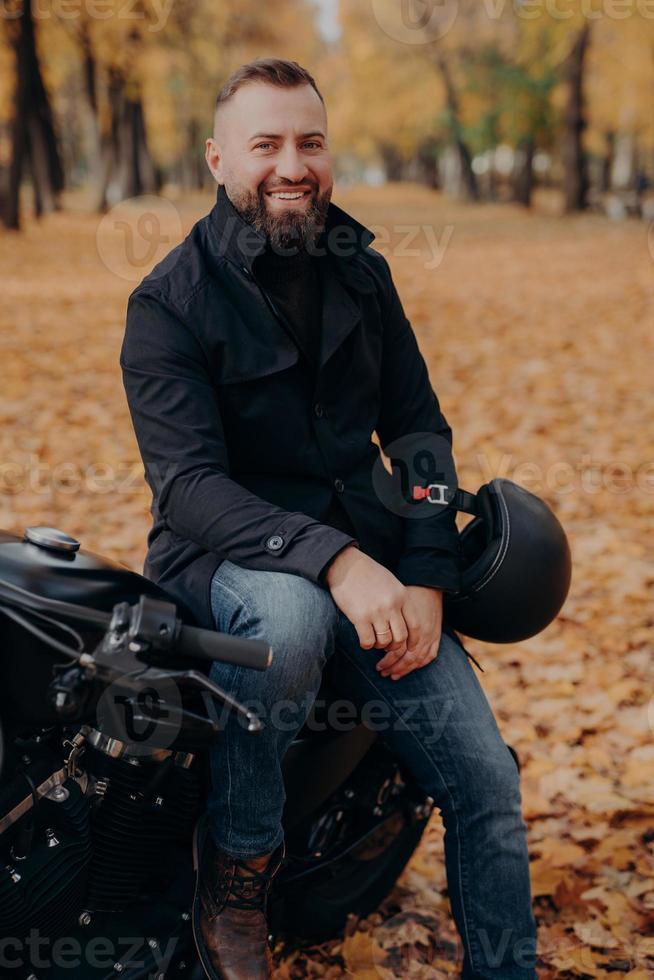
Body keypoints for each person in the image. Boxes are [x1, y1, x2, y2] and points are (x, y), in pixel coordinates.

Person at [120, 58, 538, 980]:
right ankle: (237, 867)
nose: (291, 165)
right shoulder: (166, 303)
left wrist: (426, 574)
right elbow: (188, 484)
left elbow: (421, 433)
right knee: (291, 614)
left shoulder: (365, 274)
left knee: (487, 783)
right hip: (230, 562)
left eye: (309, 142)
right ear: (218, 158)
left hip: (385, 580)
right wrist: (339, 562)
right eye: (265, 144)